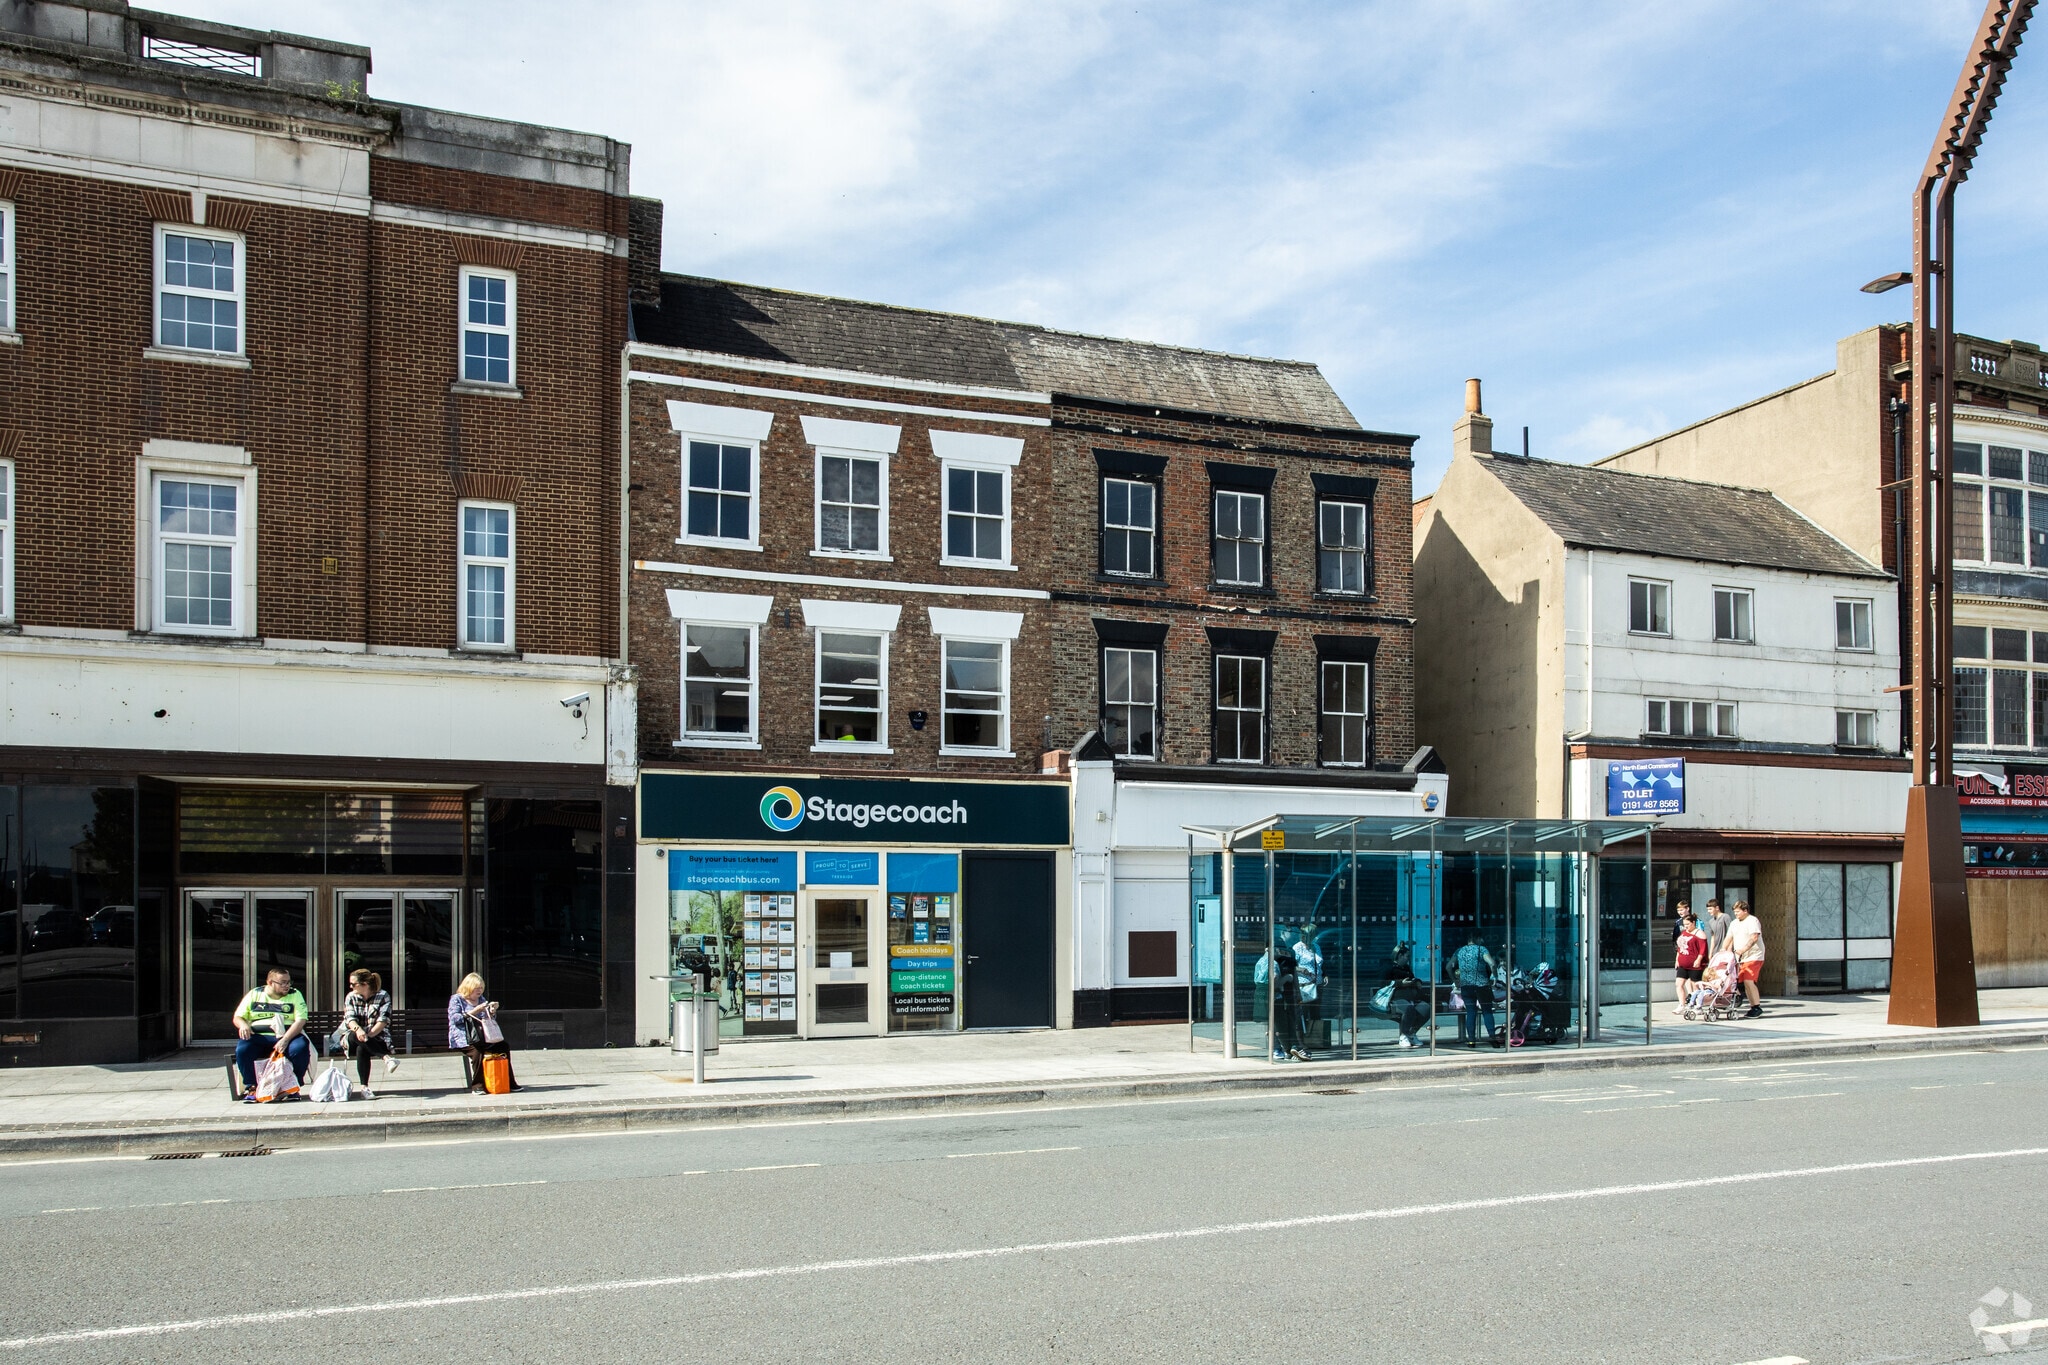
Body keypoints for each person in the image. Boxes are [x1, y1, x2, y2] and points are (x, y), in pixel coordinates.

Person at [232, 967, 311, 1100]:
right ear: (270, 982)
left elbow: (301, 1020)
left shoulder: (295, 994)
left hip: (287, 1035)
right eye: (283, 983)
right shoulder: (255, 994)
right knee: (243, 1049)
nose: (287, 986)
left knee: (300, 1048)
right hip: (259, 1036)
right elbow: (238, 1017)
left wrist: (285, 1039)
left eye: (289, 982)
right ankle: (252, 1087)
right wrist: (243, 1025)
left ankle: (292, 1087)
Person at [450, 972, 521, 1093]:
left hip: (482, 1036)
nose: (479, 991)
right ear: (469, 987)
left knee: (503, 1046)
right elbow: (455, 1019)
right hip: (465, 1038)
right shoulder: (457, 999)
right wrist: (473, 1011)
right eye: (477, 988)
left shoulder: (481, 999)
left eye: (481, 988)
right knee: (477, 1051)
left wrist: (492, 1012)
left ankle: (509, 1082)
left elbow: (487, 1020)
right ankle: (477, 1085)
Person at [339, 968, 398, 1097]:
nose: (351, 987)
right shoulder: (351, 997)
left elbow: (383, 1020)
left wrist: (368, 1036)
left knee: (362, 1048)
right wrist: (359, 1030)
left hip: (376, 1036)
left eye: (353, 984)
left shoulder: (383, 996)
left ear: (365, 984)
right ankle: (386, 1058)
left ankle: (364, 1087)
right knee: (356, 1036)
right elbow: (350, 1019)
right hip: (353, 1036)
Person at [1452, 933, 1498, 1047]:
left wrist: (1455, 980)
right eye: (1480, 937)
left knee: (1471, 1012)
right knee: (1487, 1011)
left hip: (1466, 986)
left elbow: (1449, 966)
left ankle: (1471, 1041)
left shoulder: (1460, 951)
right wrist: (1494, 977)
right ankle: (1492, 1037)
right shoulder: (1481, 949)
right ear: (1476, 938)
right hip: (1482, 985)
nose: (1482, 940)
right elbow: (1492, 963)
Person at [1384, 945, 1430, 1049]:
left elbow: (1413, 978)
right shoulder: (1389, 968)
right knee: (1408, 1008)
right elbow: (1383, 983)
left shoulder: (1406, 968)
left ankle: (1411, 1033)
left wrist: (1417, 982)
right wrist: (1400, 983)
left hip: (1411, 998)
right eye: (1407, 956)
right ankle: (1403, 1035)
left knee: (1426, 1008)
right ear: (1400, 955)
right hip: (1395, 999)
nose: (1408, 958)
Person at [1725, 900, 1766, 1017]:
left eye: (1738, 912)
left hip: (1754, 955)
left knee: (1749, 980)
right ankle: (1753, 1006)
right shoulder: (1734, 923)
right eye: (1734, 912)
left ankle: (1756, 1007)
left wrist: (1743, 949)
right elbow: (1728, 938)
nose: (1735, 914)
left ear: (1745, 910)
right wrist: (1723, 950)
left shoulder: (1752, 921)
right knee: (1745, 983)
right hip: (1740, 958)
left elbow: (1754, 937)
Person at [1672, 909, 1708, 1015]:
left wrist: (1699, 959)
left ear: (1693, 923)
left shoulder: (1699, 934)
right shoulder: (1684, 933)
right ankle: (1682, 1004)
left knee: (1695, 985)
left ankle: (1698, 1005)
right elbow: (1680, 947)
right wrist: (1677, 960)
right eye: (1684, 924)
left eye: (1688, 924)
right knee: (1679, 984)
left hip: (1694, 964)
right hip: (1683, 963)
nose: (1686, 926)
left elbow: (1703, 949)